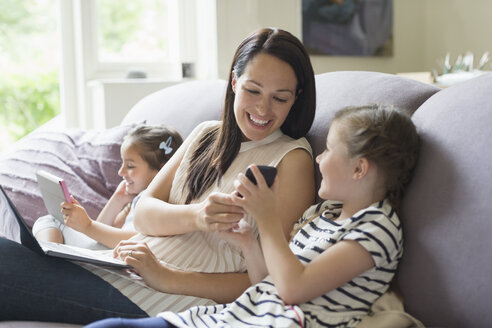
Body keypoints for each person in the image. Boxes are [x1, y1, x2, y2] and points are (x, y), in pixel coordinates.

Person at [0, 27, 316, 324]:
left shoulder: (292, 160)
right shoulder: (205, 135)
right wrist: (198, 216)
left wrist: (167, 277)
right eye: (253, 90)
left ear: (296, 97)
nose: (263, 108)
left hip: (164, 299)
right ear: (234, 82)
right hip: (119, 269)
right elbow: (144, 213)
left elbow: (271, 279)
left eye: (280, 98)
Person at [85, 104, 420, 328]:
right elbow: (268, 282)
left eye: (330, 150)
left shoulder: (376, 227)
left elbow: (292, 289)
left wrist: (268, 219)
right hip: (238, 317)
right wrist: (247, 241)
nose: (320, 158)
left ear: (360, 168)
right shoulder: (324, 215)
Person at [32, 125, 183, 250]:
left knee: (50, 221)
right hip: (108, 251)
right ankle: (51, 261)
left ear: (163, 170)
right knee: (53, 221)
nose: (121, 172)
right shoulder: (135, 201)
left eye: (130, 165)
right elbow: (102, 230)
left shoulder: (157, 202)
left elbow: (138, 239)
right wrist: (117, 200)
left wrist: (88, 226)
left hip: (116, 256)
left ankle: (48, 266)